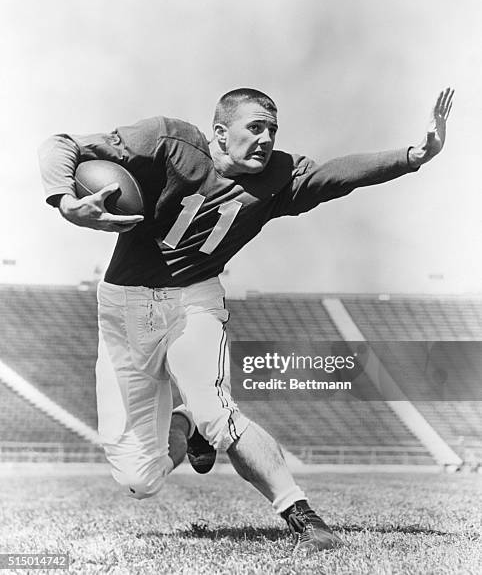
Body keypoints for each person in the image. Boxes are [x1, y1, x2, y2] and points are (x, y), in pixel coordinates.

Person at [39, 86, 453, 553]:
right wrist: (64, 201)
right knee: (138, 479)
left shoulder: (278, 177)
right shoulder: (167, 141)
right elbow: (60, 144)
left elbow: (339, 175)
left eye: (272, 129)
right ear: (220, 131)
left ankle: (303, 518)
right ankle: (187, 425)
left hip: (193, 299)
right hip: (123, 305)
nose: (266, 138)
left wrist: (413, 155)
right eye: (255, 127)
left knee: (218, 410)